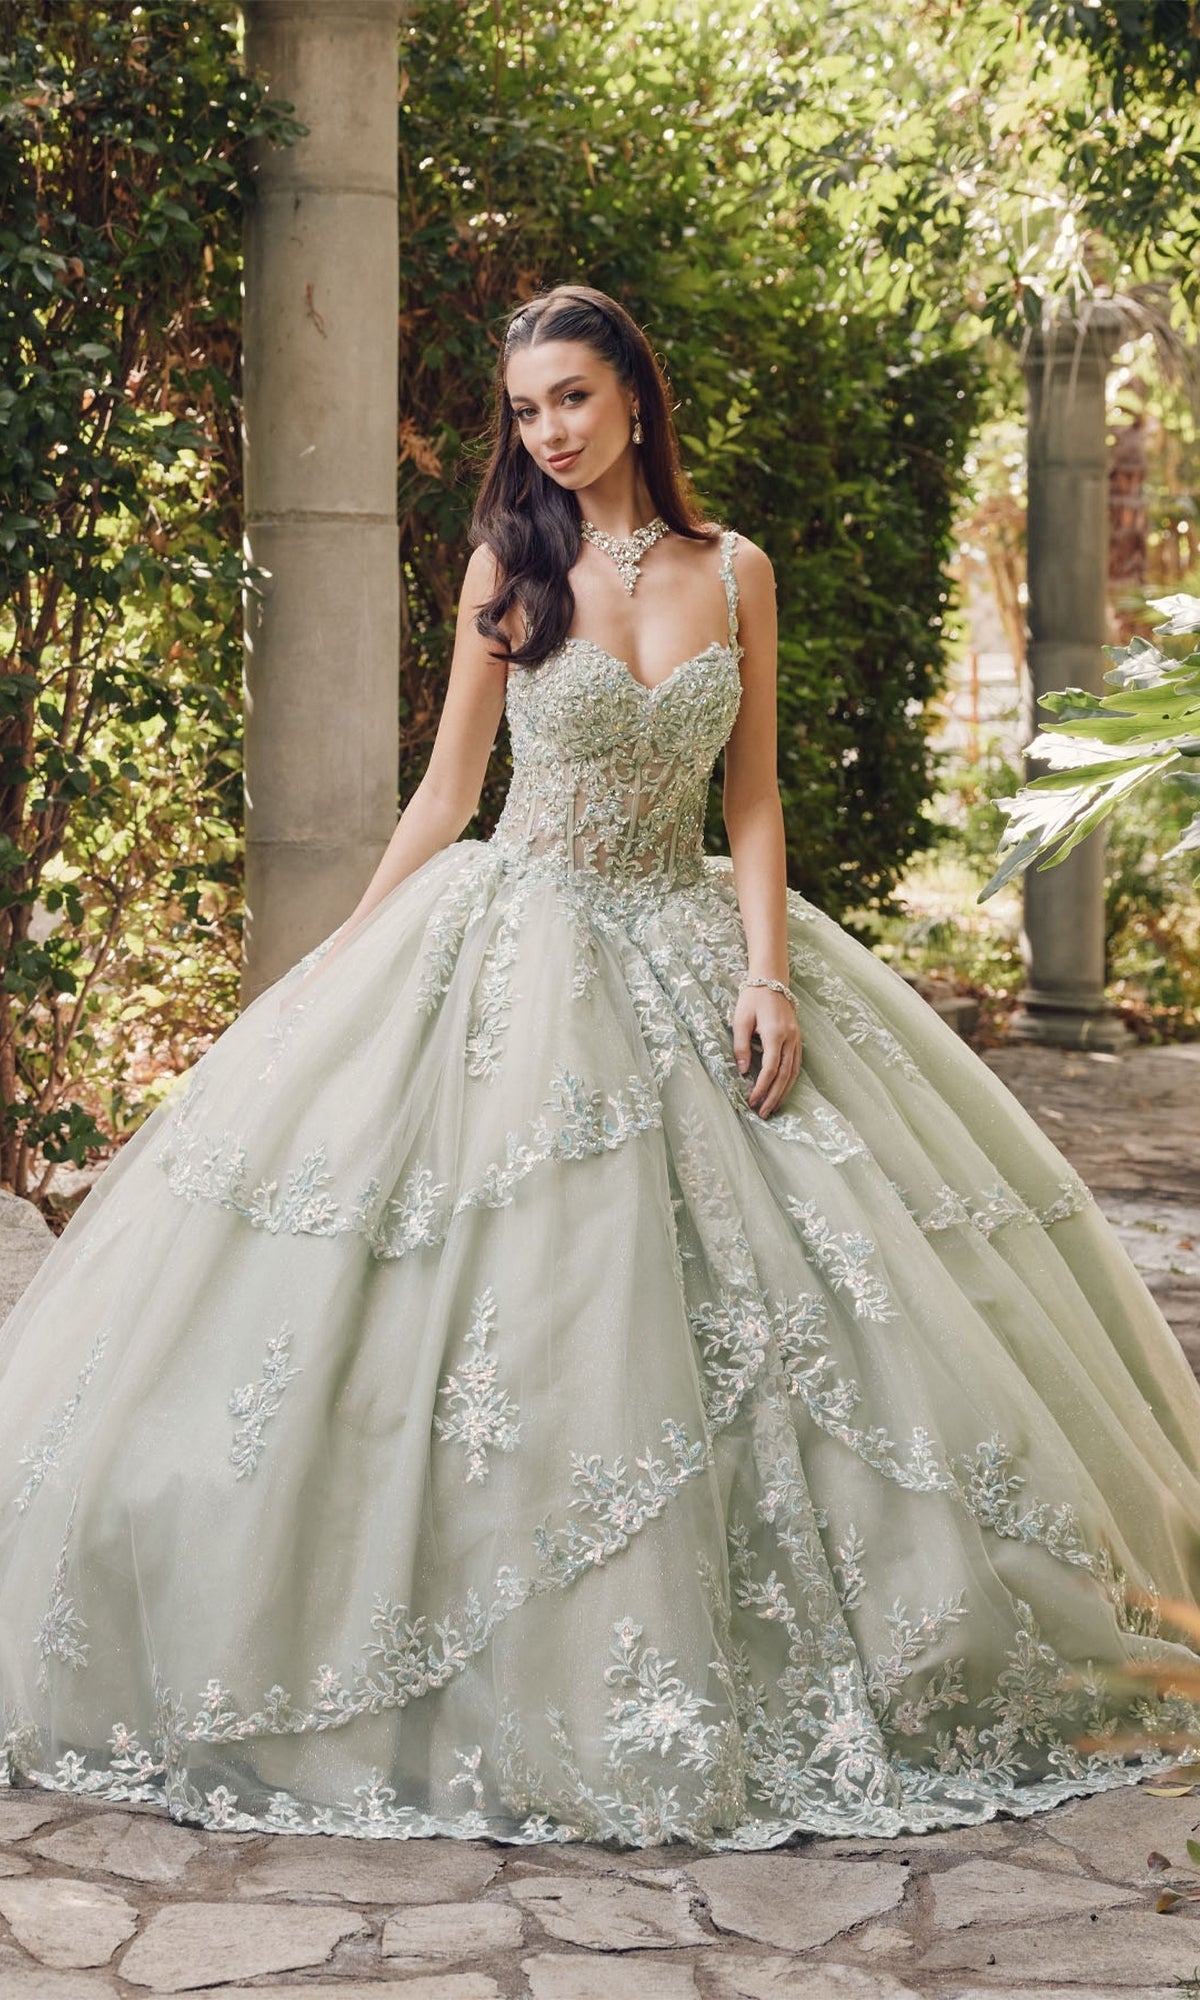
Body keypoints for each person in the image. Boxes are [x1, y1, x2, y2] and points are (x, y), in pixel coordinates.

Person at [2, 283, 1200, 1851]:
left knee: (807, 1286)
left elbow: (753, 803)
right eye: (525, 411)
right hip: (521, 942)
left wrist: (768, 975)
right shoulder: (514, 564)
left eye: (572, 397)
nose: (549, 433)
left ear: (636, 394)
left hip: (690, 939)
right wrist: (346, 961)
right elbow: (446, 795)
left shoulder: (736, 571)